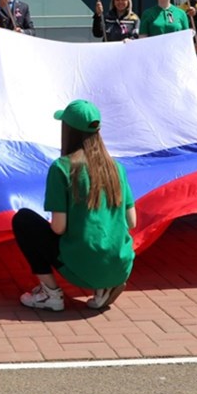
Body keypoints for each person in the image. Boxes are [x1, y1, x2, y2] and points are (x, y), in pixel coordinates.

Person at [11, 99, 136, 312]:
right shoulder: (117, 168)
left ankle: (50, 294)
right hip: (120, 264)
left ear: (68, 130)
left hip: (82, 265)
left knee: (23, 220)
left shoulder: (62, 168)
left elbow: (58, 227)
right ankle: (103, 286)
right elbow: (131, 221)